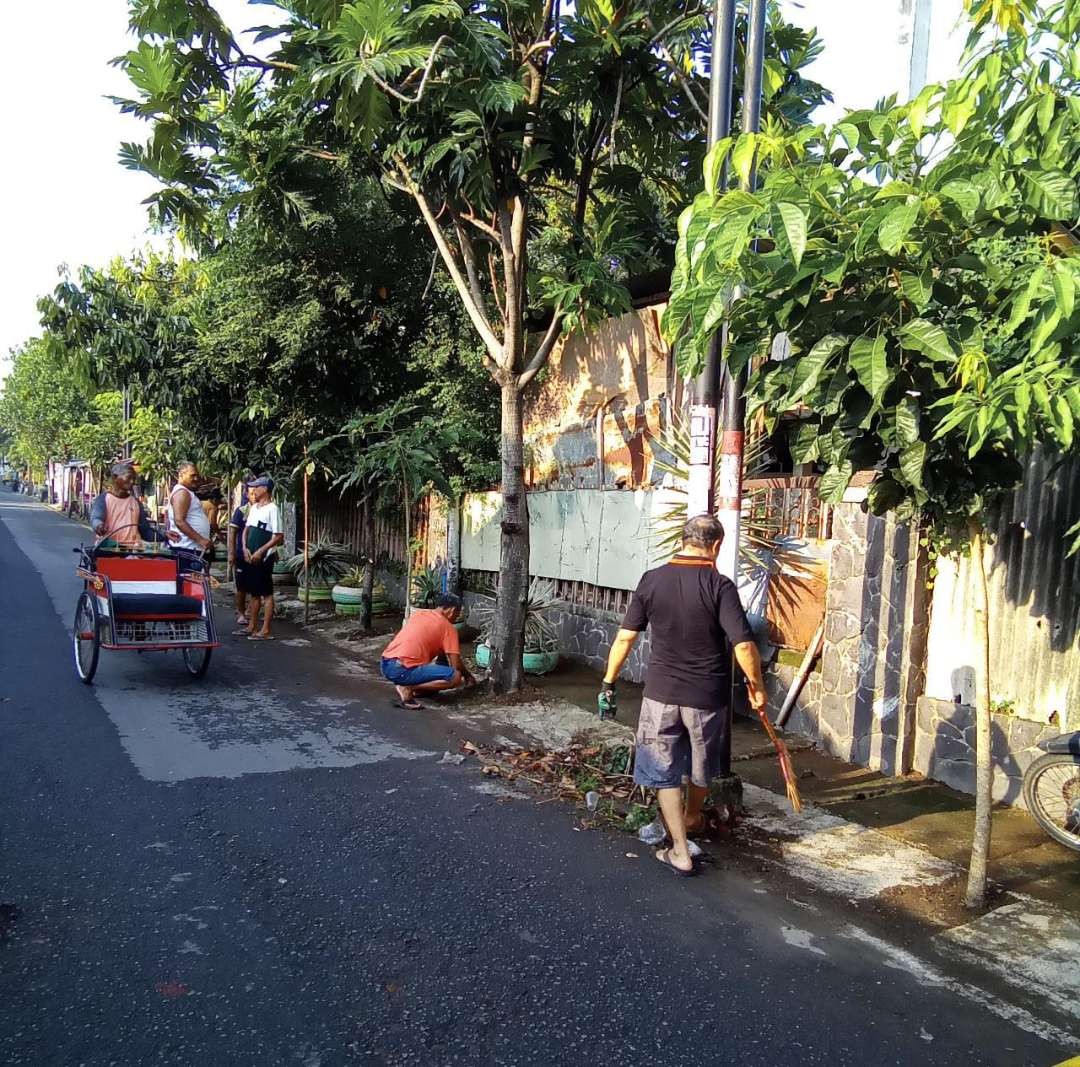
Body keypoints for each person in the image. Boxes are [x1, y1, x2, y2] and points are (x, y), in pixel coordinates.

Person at [600, 514, 767, 878]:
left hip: (660, 694)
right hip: (707, 697)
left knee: (664, 771)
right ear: (717, 546)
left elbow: (626, 637)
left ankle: (679, 848)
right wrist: (757, 688)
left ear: (682, 539)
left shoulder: (651, 580)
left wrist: (609, 682)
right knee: (701, 767)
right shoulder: (720, 586)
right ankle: (693, 818)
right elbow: (744, 646)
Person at [380, 594, 475, 710]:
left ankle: (411, 685)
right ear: (452, 610)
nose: (457, 616)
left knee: (440, 664)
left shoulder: (419, 614)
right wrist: (468, 676)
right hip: (402, 669)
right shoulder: (448, 628)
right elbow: (455, 665)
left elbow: (441, 654)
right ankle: (409, 687)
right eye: (458, 612)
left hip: (385, 663)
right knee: (455, 677)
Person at [239, 475, 284, 641]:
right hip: (250, 554)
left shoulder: (273, 509)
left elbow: (278, 536)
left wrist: (262, 551)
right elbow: (246, 529)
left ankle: (265, 629)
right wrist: (244, 547)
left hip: (264, 557)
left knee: (266, 592)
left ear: (265, 489)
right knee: (254, 592)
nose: (253, 491)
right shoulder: (254, 507)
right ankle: (252, 625)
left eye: (256, 487)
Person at [89, 462, 171, 548]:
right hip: (109, 549)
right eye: (128, 477)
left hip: (133, 550)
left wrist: (165, 535)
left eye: (133, 478)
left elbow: (145, 531)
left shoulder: (135, 503)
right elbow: (96, 518)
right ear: (115, 477)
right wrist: (99, 526)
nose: (132, 481)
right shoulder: (104, 499)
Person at [167, 461, 213, 556]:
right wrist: (201, 540)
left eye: (197, 476)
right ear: (181, 475)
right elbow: (179, 521)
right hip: (186, 549)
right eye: (192, 475)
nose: (196, 479)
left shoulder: (186, 492)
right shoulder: (182, 493)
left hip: (191, 548)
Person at [228, 481, 257, 626]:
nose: (254, 496)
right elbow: (232, 533)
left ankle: (252, 613)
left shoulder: (263, 510)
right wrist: (231, 553)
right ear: (246, 494)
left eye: (256, 492)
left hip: (257, 555)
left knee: (255, 586)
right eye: (251, 493)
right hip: (241, 554)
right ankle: (240, 612)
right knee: (241, 587)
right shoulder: (241, 511)